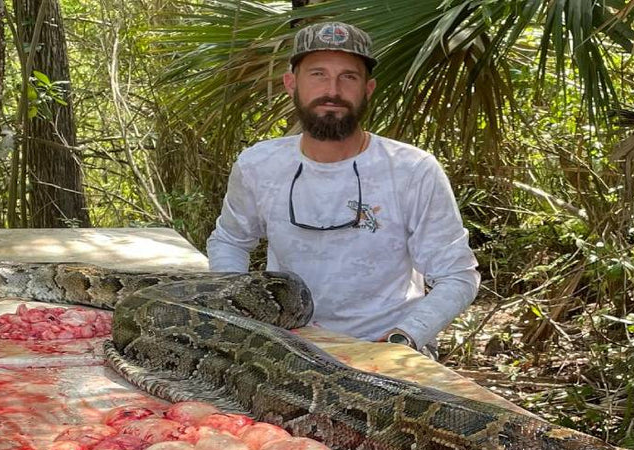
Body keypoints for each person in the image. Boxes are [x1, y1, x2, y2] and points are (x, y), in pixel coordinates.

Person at [206, 21, 480, 357]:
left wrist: (405, 337)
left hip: (390, 348)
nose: (332, 90)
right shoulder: (258, 165)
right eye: (317, 74)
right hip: (287, 346)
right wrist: (239, 312)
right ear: (291, 84)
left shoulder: (412, 170)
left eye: (348, 76)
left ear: (368, 88)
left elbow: (457, 275)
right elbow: (229, 241)